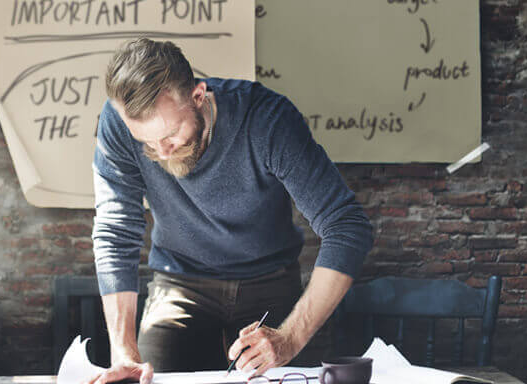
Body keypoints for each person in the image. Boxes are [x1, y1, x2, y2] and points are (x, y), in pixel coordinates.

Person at [88, 38, 373, 384]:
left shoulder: (267, 120)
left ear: (198, 96)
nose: (161, 153)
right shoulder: (117, 122)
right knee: (147, 378)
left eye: (171, 134)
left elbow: (346, 226)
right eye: (145, 141)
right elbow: (115, 234)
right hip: (179, 283)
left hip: (269, 280)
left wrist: (290, 338)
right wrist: (123, 353)